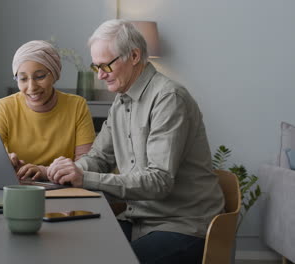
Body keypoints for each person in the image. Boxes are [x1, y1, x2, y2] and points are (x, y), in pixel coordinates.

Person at [47, 19, 224, 263]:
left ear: (134, 56)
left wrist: (83, 177)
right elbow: (99, 158)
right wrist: (64, 171)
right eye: (95, 67)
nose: (100, 75)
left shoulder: (168, 98)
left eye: (106, 66)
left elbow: (159, 181)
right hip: (138, 219)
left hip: (183, 225)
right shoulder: (121, 101)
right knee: (74, 249)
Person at [0, 40, 96, 181]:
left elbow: (85, 165)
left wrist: (45, 171)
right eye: (23, 79)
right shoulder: (4, 107)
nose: (31, 87)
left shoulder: (77, 106)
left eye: (40, 76)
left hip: (63, 186)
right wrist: (3, 161)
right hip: (19, 186)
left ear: (54, 75)